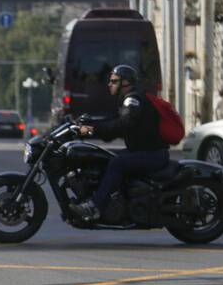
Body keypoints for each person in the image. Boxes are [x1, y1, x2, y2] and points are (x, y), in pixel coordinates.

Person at [68, 65, 171, 222]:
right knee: (106, 158)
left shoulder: (133, 99)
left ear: (126, 83)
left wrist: (90, 130)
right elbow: (114, 123)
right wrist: (90, 124)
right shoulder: (129, 99)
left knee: (118, 163)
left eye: (114, 81)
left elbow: (123, 124)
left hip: (153, 154)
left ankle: (95, 206)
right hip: (142, 151)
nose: (109, 84)